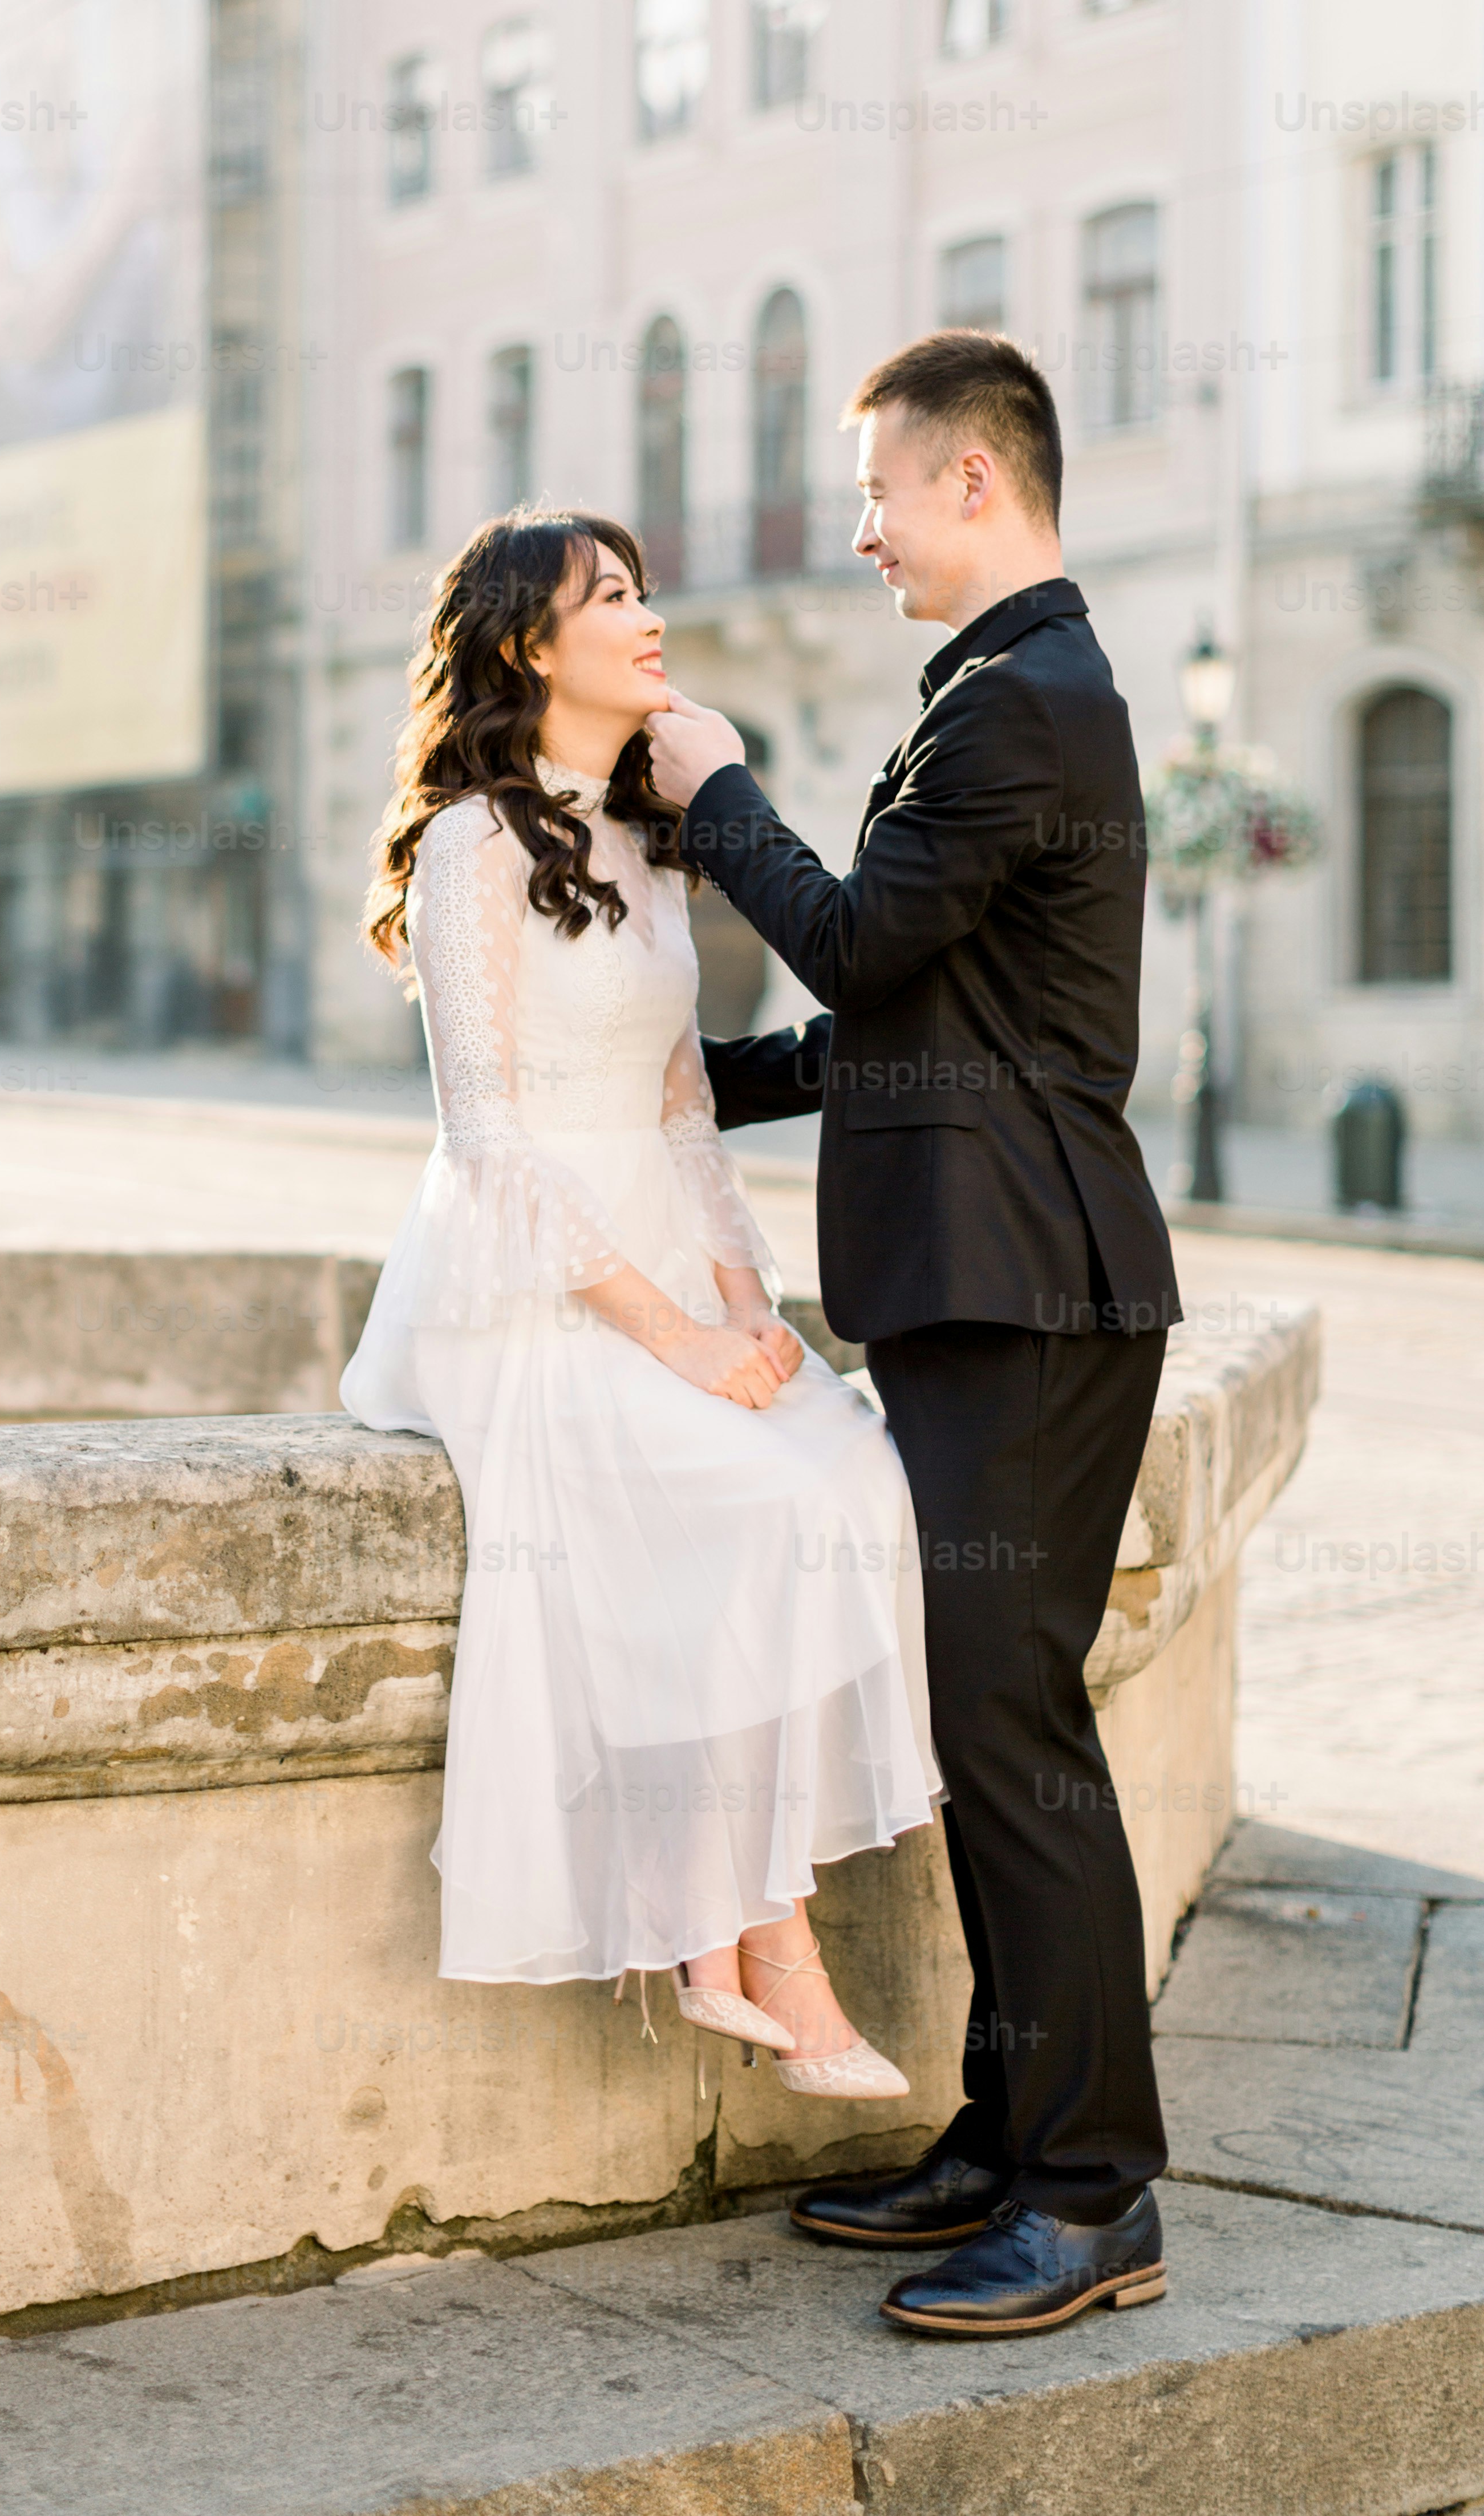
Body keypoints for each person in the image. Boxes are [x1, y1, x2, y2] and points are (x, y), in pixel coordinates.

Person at [645, 329, 1181, 2339]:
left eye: (879, 490)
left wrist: (715, 796)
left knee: (1015, 1740)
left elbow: (865, 937)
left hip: (1027, 1294)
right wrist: (685, 1087)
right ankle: (1006, 2130)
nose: (857, 528)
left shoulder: (1029, 704)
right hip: (994, 1286)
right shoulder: (1010, 694)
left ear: (977, 481)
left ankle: (1093, 2193)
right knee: (990, 1732)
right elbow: (906, 1014)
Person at [341, 510, 939, 2087]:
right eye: (612, 597)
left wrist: (751, 1307)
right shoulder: (477, 844)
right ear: (532, 646)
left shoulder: (649, 836)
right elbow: (487, 1141)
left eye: (647, 588)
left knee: (849, 1479)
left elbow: (683, 1112)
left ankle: (724, 1918)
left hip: (667, 1246)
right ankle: (763, 1936)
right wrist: (668, 1335)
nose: (649, 615)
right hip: (526, 1285)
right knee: (742, 1504)